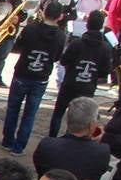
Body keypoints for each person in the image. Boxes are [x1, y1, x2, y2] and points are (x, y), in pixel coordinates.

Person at [1, 0, 67, 154]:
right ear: (60, 17)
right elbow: (57, 57)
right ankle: (19, 147)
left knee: (13, 108)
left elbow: (18, 46)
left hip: (22, 74)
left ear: (43, 12)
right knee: (30, 114)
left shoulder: (30, 29)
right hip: (41, 78)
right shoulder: (61, 36)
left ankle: (8, 141)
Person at [49, 10, 114, 138]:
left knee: (58, 114)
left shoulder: (77, 43)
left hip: (70, 84)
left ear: (87, 25)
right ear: (101, 26)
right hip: (88, 87)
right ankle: (70, 140)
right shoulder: (105, 48)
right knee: (80, 118)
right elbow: (105, 72)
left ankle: (52, 138)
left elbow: (64, 60)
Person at [33, 96, 111, 180]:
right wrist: (94, 144)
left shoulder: (47, 145)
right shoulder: (102, 151)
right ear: (91, 125)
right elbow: (99, 173)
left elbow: (39, 168)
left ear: (68, 121)